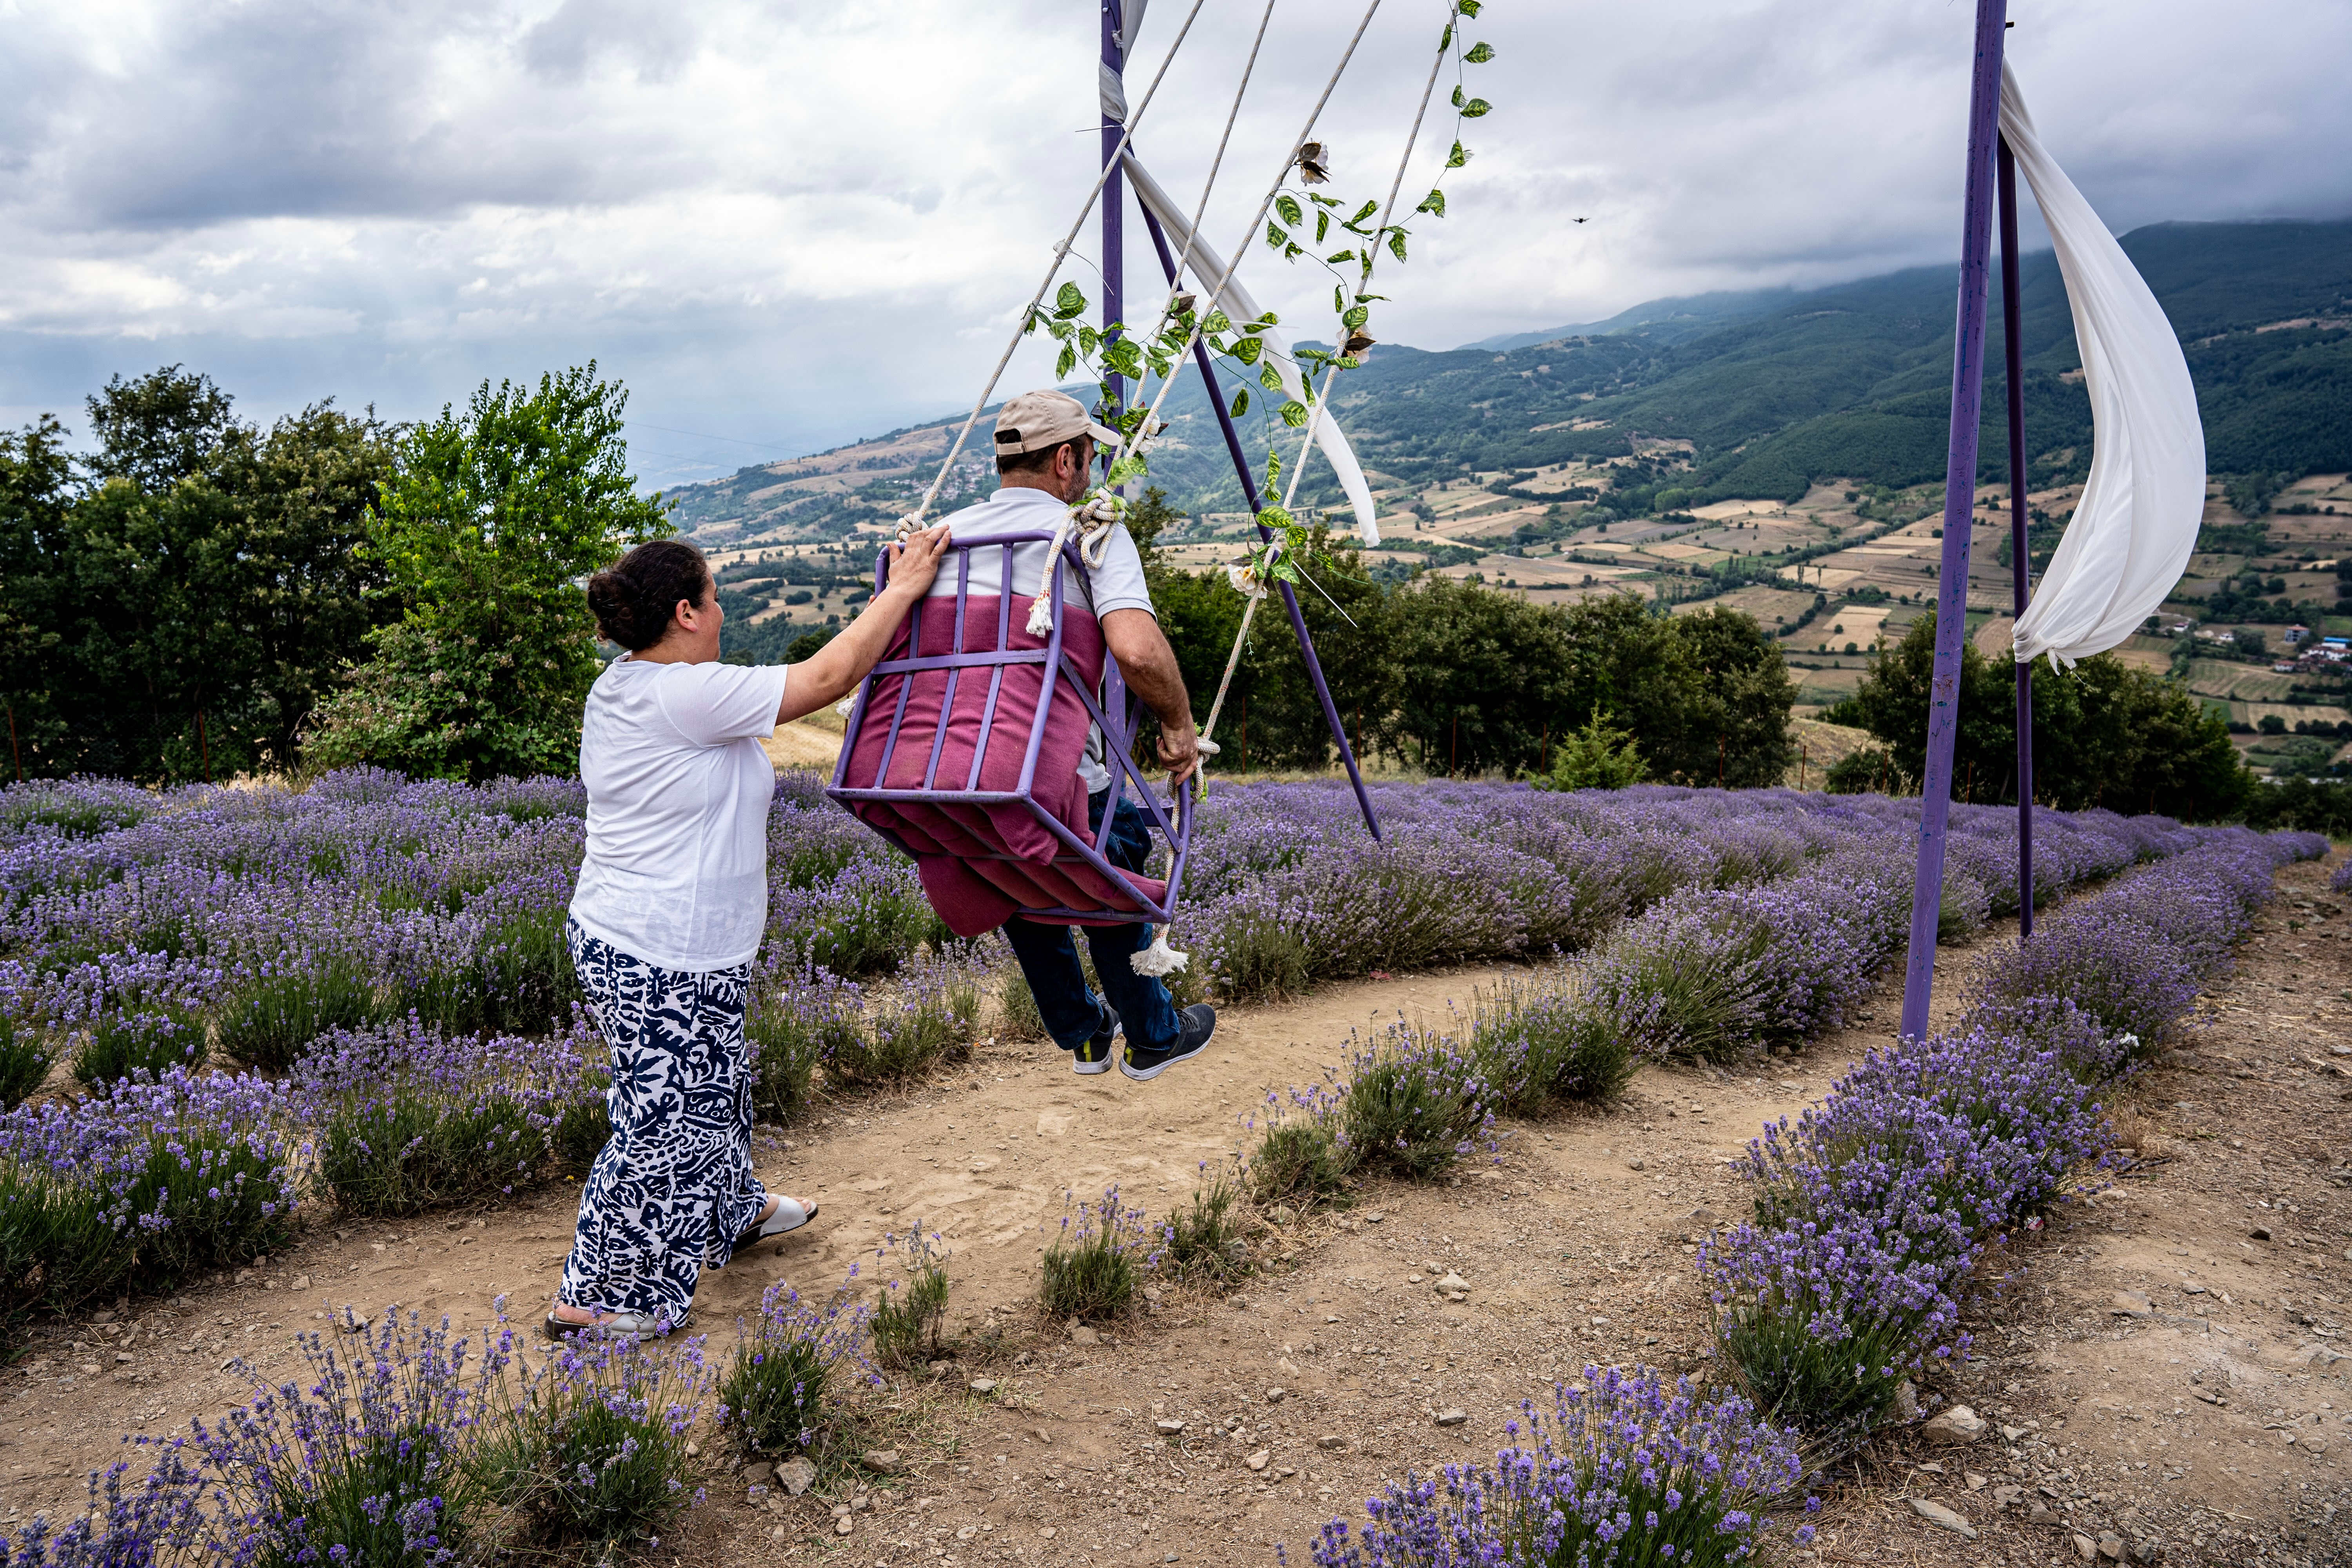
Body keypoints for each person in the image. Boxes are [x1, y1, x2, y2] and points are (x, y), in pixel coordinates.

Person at [550, 524, 952, 1336]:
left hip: (663, 941)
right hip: (660, 950)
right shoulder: (685, 691)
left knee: (712, 1084)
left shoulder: (628, 683)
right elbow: (830, 675)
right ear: (688, 611)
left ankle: (730, 1209)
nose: (726, 609)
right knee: (665, 1121)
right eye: (717, 594)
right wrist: (903, 589)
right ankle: (598, 1295)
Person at [941, 389, 1218, 1081]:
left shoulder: (945, 537)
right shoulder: (1083, 534)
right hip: (1055, 778)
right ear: (1067, 460)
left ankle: (1084, 1030)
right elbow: (1138, 649)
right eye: (1090, 456)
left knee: (1014, 861)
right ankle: (1154, 1034)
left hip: (959, 778)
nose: (1091, 471)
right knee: (1112, 846)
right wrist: (1179, 728)